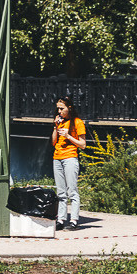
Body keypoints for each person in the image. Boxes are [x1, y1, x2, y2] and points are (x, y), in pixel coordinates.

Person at [52, 97, 86, 230]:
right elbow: (53, 142)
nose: (59, 111)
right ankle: (61, 219)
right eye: (58, 109)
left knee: (72, 190)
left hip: (70, 157)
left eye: (62, 108)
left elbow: (83, 145)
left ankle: (74, 220)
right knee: (61, 192)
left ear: (69, 108)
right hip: (57, 157)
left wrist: (68, 136)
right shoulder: (60, 122)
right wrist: (55, 127)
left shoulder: (77, 122)